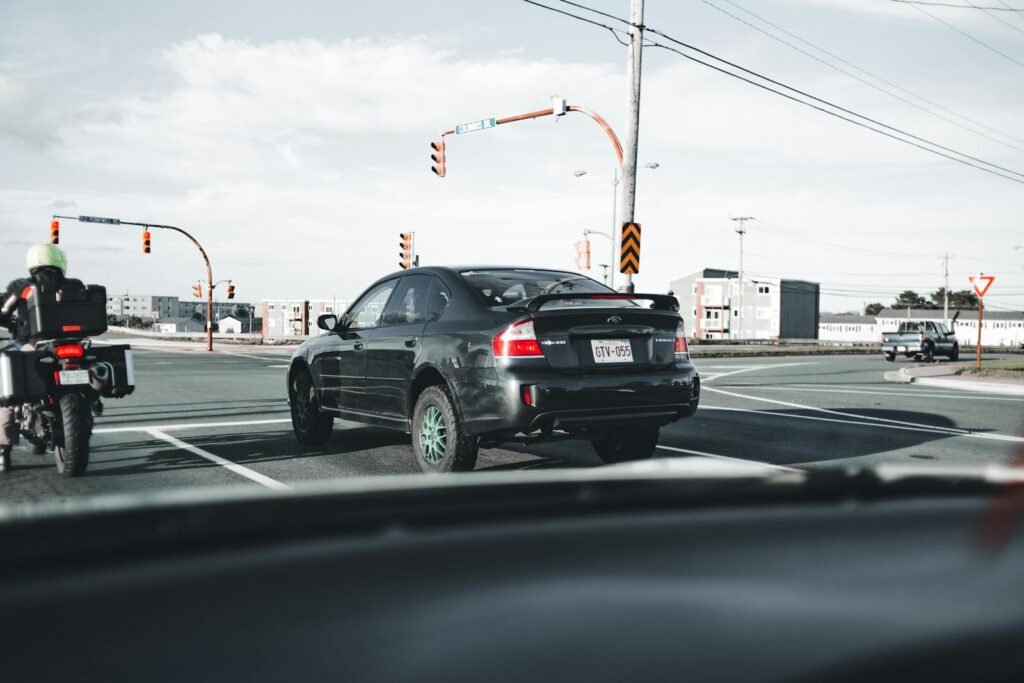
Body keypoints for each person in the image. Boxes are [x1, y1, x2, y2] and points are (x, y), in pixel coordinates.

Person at [0, 244, 69, 472]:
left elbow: (3, 313)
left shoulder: (22, 286)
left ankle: (2, 450)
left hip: (33, 345)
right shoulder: (74, 286)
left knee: (6, 393)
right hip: (71, 344)